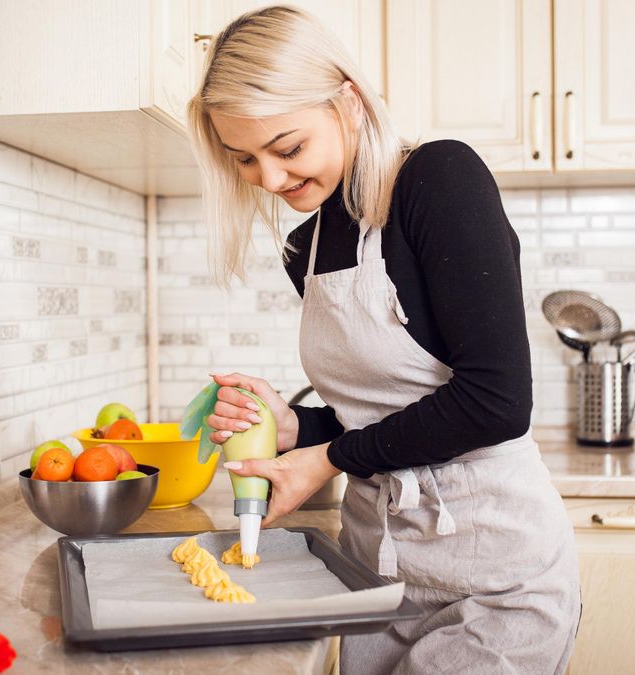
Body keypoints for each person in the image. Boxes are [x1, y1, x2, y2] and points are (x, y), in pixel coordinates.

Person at [184, 6, 582, 674]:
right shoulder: (306, 247)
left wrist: (328, 457)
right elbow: (378, 416)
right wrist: (297, 427)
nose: (271, 180)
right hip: (378, 577)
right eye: (244, 159)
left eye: (288, 149)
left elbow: (497, 403)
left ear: (348, 101)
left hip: (496, 578)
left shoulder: (439, 179)